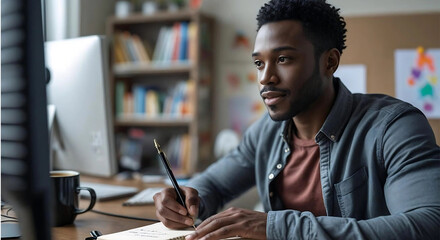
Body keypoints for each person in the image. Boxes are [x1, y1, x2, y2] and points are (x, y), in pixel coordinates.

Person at [153, 0, 440, 239]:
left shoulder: (395, 126)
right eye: (259, 63)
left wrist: (276, 226)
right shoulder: (265, 132)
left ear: (330, 62)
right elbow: (213, 185)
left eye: (284, 59)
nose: (266, 77)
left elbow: (428, 224)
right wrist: (185, 200)